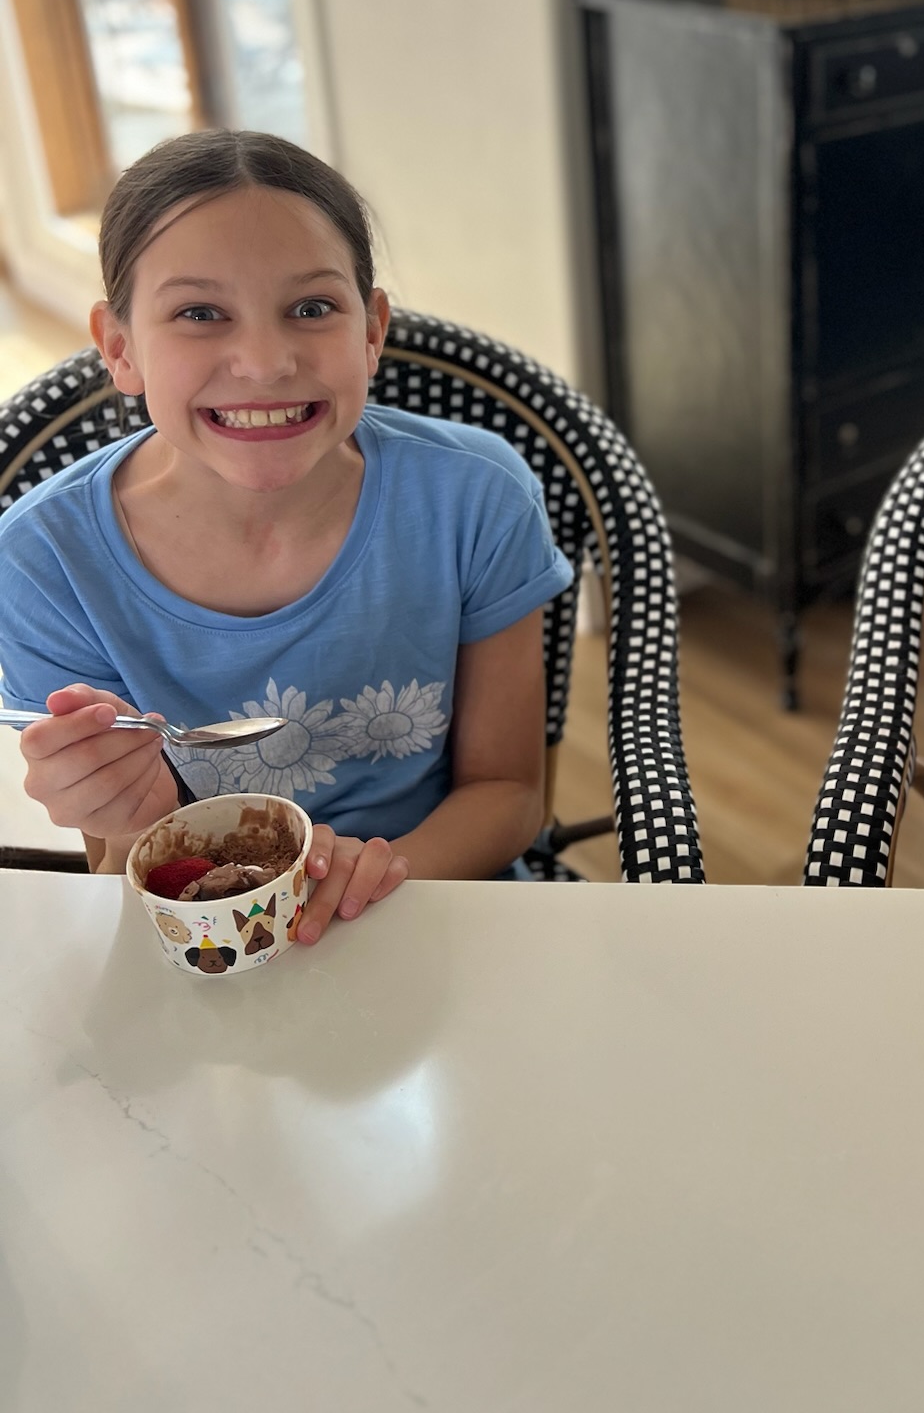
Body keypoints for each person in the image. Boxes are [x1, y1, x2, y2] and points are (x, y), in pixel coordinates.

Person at [0, 130, 572, 937]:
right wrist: (133, 820)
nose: (265, 362)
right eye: (200, 313)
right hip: (207, 933)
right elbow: (117, 870)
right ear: (120, 349)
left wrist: (372, 882)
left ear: (371, 331)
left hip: (442, 905)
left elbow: (508, 794)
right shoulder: (44, 564)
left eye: (311, 308)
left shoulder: (476, 497)